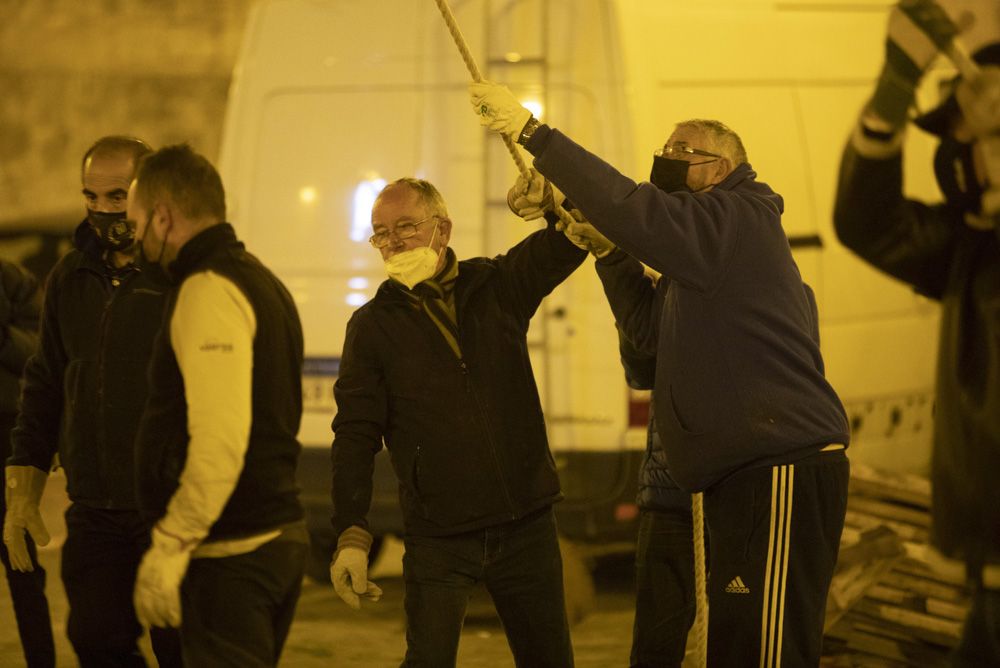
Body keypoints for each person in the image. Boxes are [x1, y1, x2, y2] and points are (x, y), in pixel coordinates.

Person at [474, 88, 851, 664]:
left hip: (778, 467)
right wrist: (609, 253)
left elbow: (636, 209)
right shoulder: (698, 263)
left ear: (722, 168)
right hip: (738, 473)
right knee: (732, 645)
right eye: (667, 144)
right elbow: (648, 351)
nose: (669, 155)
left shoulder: (738, 216)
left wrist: (536, 135)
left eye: (685, 149)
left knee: (765, 649)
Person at [329, 177, 587, 667]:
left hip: (525, 524)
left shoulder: (496, 285)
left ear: (442, 230)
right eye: (381, 233)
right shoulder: (371, 327)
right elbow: (355, 435)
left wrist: (553, 200)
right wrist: (351, 533)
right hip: (439, 535)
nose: (393, 241)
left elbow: (574, 234)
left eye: (406, 226)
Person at [832, 2, 1000, 663]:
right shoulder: (967, 246)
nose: (974, 147)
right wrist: (894, 88)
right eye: (969, 130)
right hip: (986, 553)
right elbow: (867, 223)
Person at [4, 135, 183, 667]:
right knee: (96, 641)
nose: (103, 211)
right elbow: (45, 382)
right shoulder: (70, 277)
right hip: (95, 511)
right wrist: (23, 481)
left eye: (116, 196)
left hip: (168, 509)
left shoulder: (182, 277)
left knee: (183, 649)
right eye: (91, 197)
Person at [129, 144, 308, 667]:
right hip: (269, 539)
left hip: (233, 553)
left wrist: (171, 541)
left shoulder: (207, 289)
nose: (136, 240)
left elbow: (220, 438)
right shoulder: (259, 279)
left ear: (164, 217)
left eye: (139, 225)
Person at [0, 259, 54, 667]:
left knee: (21, 562)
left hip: (6, 433)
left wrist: (1, 337)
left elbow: (41, 350)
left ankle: (41, 659)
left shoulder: (10, 277)